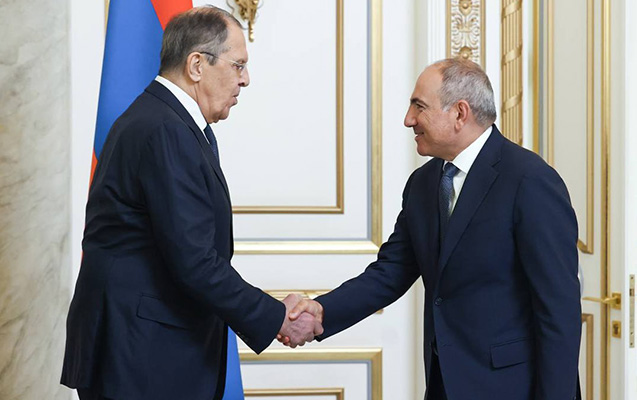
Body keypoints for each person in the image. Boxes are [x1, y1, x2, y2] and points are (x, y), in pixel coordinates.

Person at [61, 6, 321, 400]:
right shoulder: (165, 130)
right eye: (238, 65)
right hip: (141, 358)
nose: (245, 79)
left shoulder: (166, 121)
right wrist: (275, 317)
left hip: (144, 352)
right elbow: (194, 261)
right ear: (197, 65)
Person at [284, 58, 582, 400]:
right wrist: (322, 311)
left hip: (512, 388)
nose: (408, 119)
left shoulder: (529, 180)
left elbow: (558, 310)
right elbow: (390, 272)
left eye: (419, 106)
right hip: (444, 385)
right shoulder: (423, 183)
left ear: (460, 113)